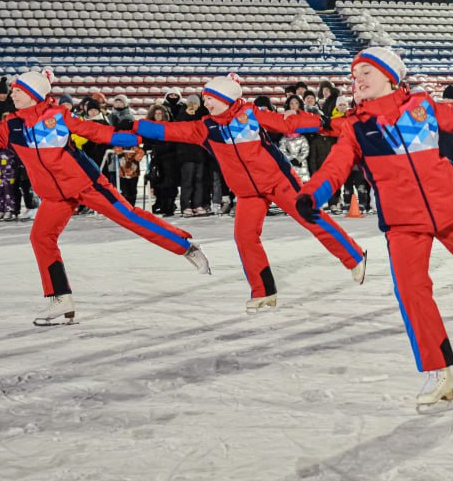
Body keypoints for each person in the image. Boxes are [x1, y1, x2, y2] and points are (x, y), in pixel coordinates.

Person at [297, 48, 453, 409]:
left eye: (366, 72)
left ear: (390, 77)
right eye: (354, 75)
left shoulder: (421, 107)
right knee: (411, 292)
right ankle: (438, 372)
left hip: (450, 210)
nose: (357, 79)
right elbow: (335, 167)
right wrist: (312, 194)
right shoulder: (357, 127)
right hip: (403, 223)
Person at [0, 69, 211, 325]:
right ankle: (60, 298)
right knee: (41, 237)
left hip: (85, 184)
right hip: (55, 195)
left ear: (32, 94)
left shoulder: (58, 117)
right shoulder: (12, 126)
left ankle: (185, 247)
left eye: (17, 91)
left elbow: (97, 132)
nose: (12, 95)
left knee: (129, 217)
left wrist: (136, 138)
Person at [135, 74, 367, 311]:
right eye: (205, 99)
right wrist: (135, 127)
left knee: (310, 217)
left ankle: (354, 256)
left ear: (225, 98)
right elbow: (170, 131)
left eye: (210, 98)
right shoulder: (206, 128)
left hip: (278, 181)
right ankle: (263, 291)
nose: (206, 103)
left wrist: (326, 123)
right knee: (245, 237)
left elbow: (289, 123)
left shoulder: (251, 115)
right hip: (247, 192)